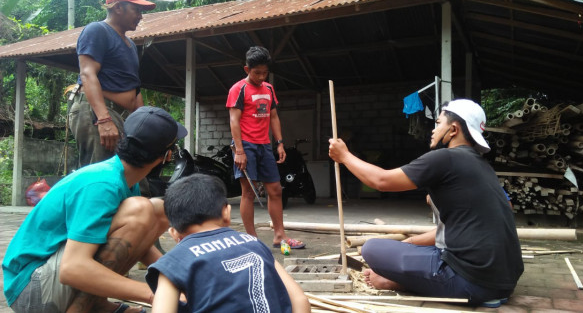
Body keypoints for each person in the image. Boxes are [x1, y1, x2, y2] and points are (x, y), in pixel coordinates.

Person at [328, 99, 523, 308]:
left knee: (372, 248)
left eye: (438, 123)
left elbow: (381, 181)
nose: (433, 129)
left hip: (473, 282)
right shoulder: (483, 166)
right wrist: (407, 244)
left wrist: (345, 156)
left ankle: (399, 283)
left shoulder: (444, 158)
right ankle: (413, 277)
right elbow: (480, 220)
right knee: (401, 249)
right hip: (505, 281)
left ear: (453, 129)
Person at [3, 106, 187, 313]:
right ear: (167, 156)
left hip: (48, 280)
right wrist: (156, 295)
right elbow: (72, 269)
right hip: (32, 289)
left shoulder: (125, 180)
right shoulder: (102, 184)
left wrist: (180, 281)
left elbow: (135, 244)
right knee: (143, 209)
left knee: (157, 210)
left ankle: (94, 304)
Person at [146, 173, 310, 312]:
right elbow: (300, 300)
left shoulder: (173, 262)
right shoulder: (254, 243)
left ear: (173, 233)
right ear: (227, 213)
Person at [226, 46, 305, 249]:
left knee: (276, 190)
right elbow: (234, 121)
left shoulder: (269, 89)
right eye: (256, 73)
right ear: (246, 69)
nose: (261, 77)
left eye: (265, 72)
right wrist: (240, 151)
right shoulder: (238, 89)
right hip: (246, 146)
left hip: (265, 145)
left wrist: (279, 143)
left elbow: (274, 116)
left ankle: (280, 236)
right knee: (248, 193)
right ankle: (252, 240)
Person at [69, 0, 155, 167]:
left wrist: (142, 127)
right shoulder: (97, 30)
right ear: (118, 7)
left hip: (120, 116)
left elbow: (135, 88)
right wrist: (104, 119)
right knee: (102, 178)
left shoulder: (130, 45)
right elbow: (87, 73)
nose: (140, 16)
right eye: (136, 9)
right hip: (98, 112)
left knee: (129, 176)